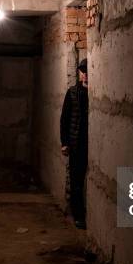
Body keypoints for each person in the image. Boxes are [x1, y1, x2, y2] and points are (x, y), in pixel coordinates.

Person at [60, 58, 89, 229]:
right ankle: (78, 216)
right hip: (76, 145)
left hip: (89, 144)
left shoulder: (96, 93)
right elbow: (64, 119)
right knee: (76, 182)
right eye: (83, 71)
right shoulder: (72, 92)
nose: (85, 75)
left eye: (88, 71)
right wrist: (65, 143)